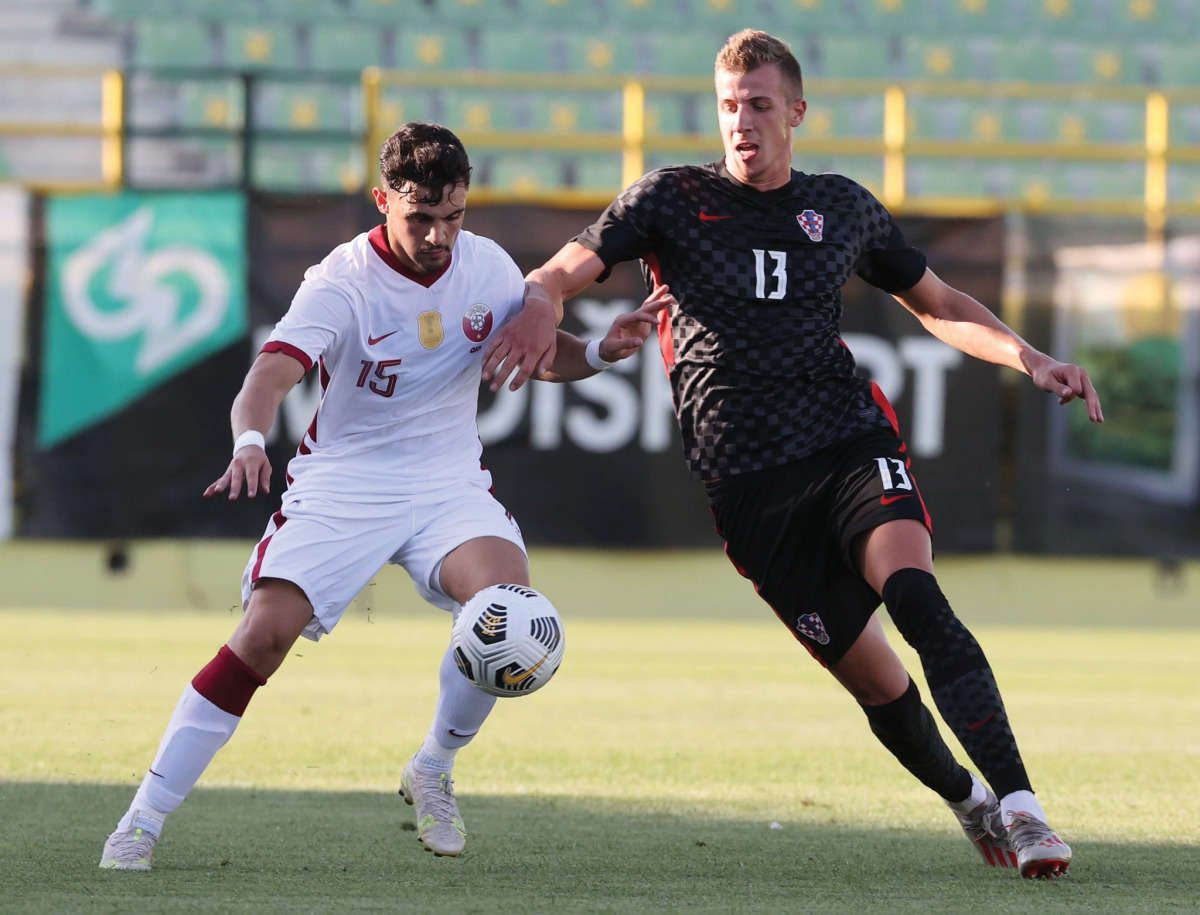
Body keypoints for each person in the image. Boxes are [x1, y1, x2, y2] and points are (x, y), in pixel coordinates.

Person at [498, 30, 1101, 879]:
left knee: (917, 596)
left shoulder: (843, 207)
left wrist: (1029, 356)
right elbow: (569, 264)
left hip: (846, 439)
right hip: (748, 487)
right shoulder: (671, 197)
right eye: (728, 105)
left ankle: (1027, 807)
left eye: (759, 105)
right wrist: (534, 294)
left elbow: (937, 302)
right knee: (880, 684)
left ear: (797, 114)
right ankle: (969, 798)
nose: (741, 123)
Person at [99, 122, 669, 871]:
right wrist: (248, 441)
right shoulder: (341, 281)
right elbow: (269, 377)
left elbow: (542, 354)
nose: (438, 235)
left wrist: (598, 351)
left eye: (453, 216)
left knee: (509, 609)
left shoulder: (487, 265)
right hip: (345, 482)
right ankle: (141, 820)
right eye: (420, 217)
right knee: (262, 636)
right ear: (382, 201)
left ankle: (432, 765)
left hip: (446, 483)